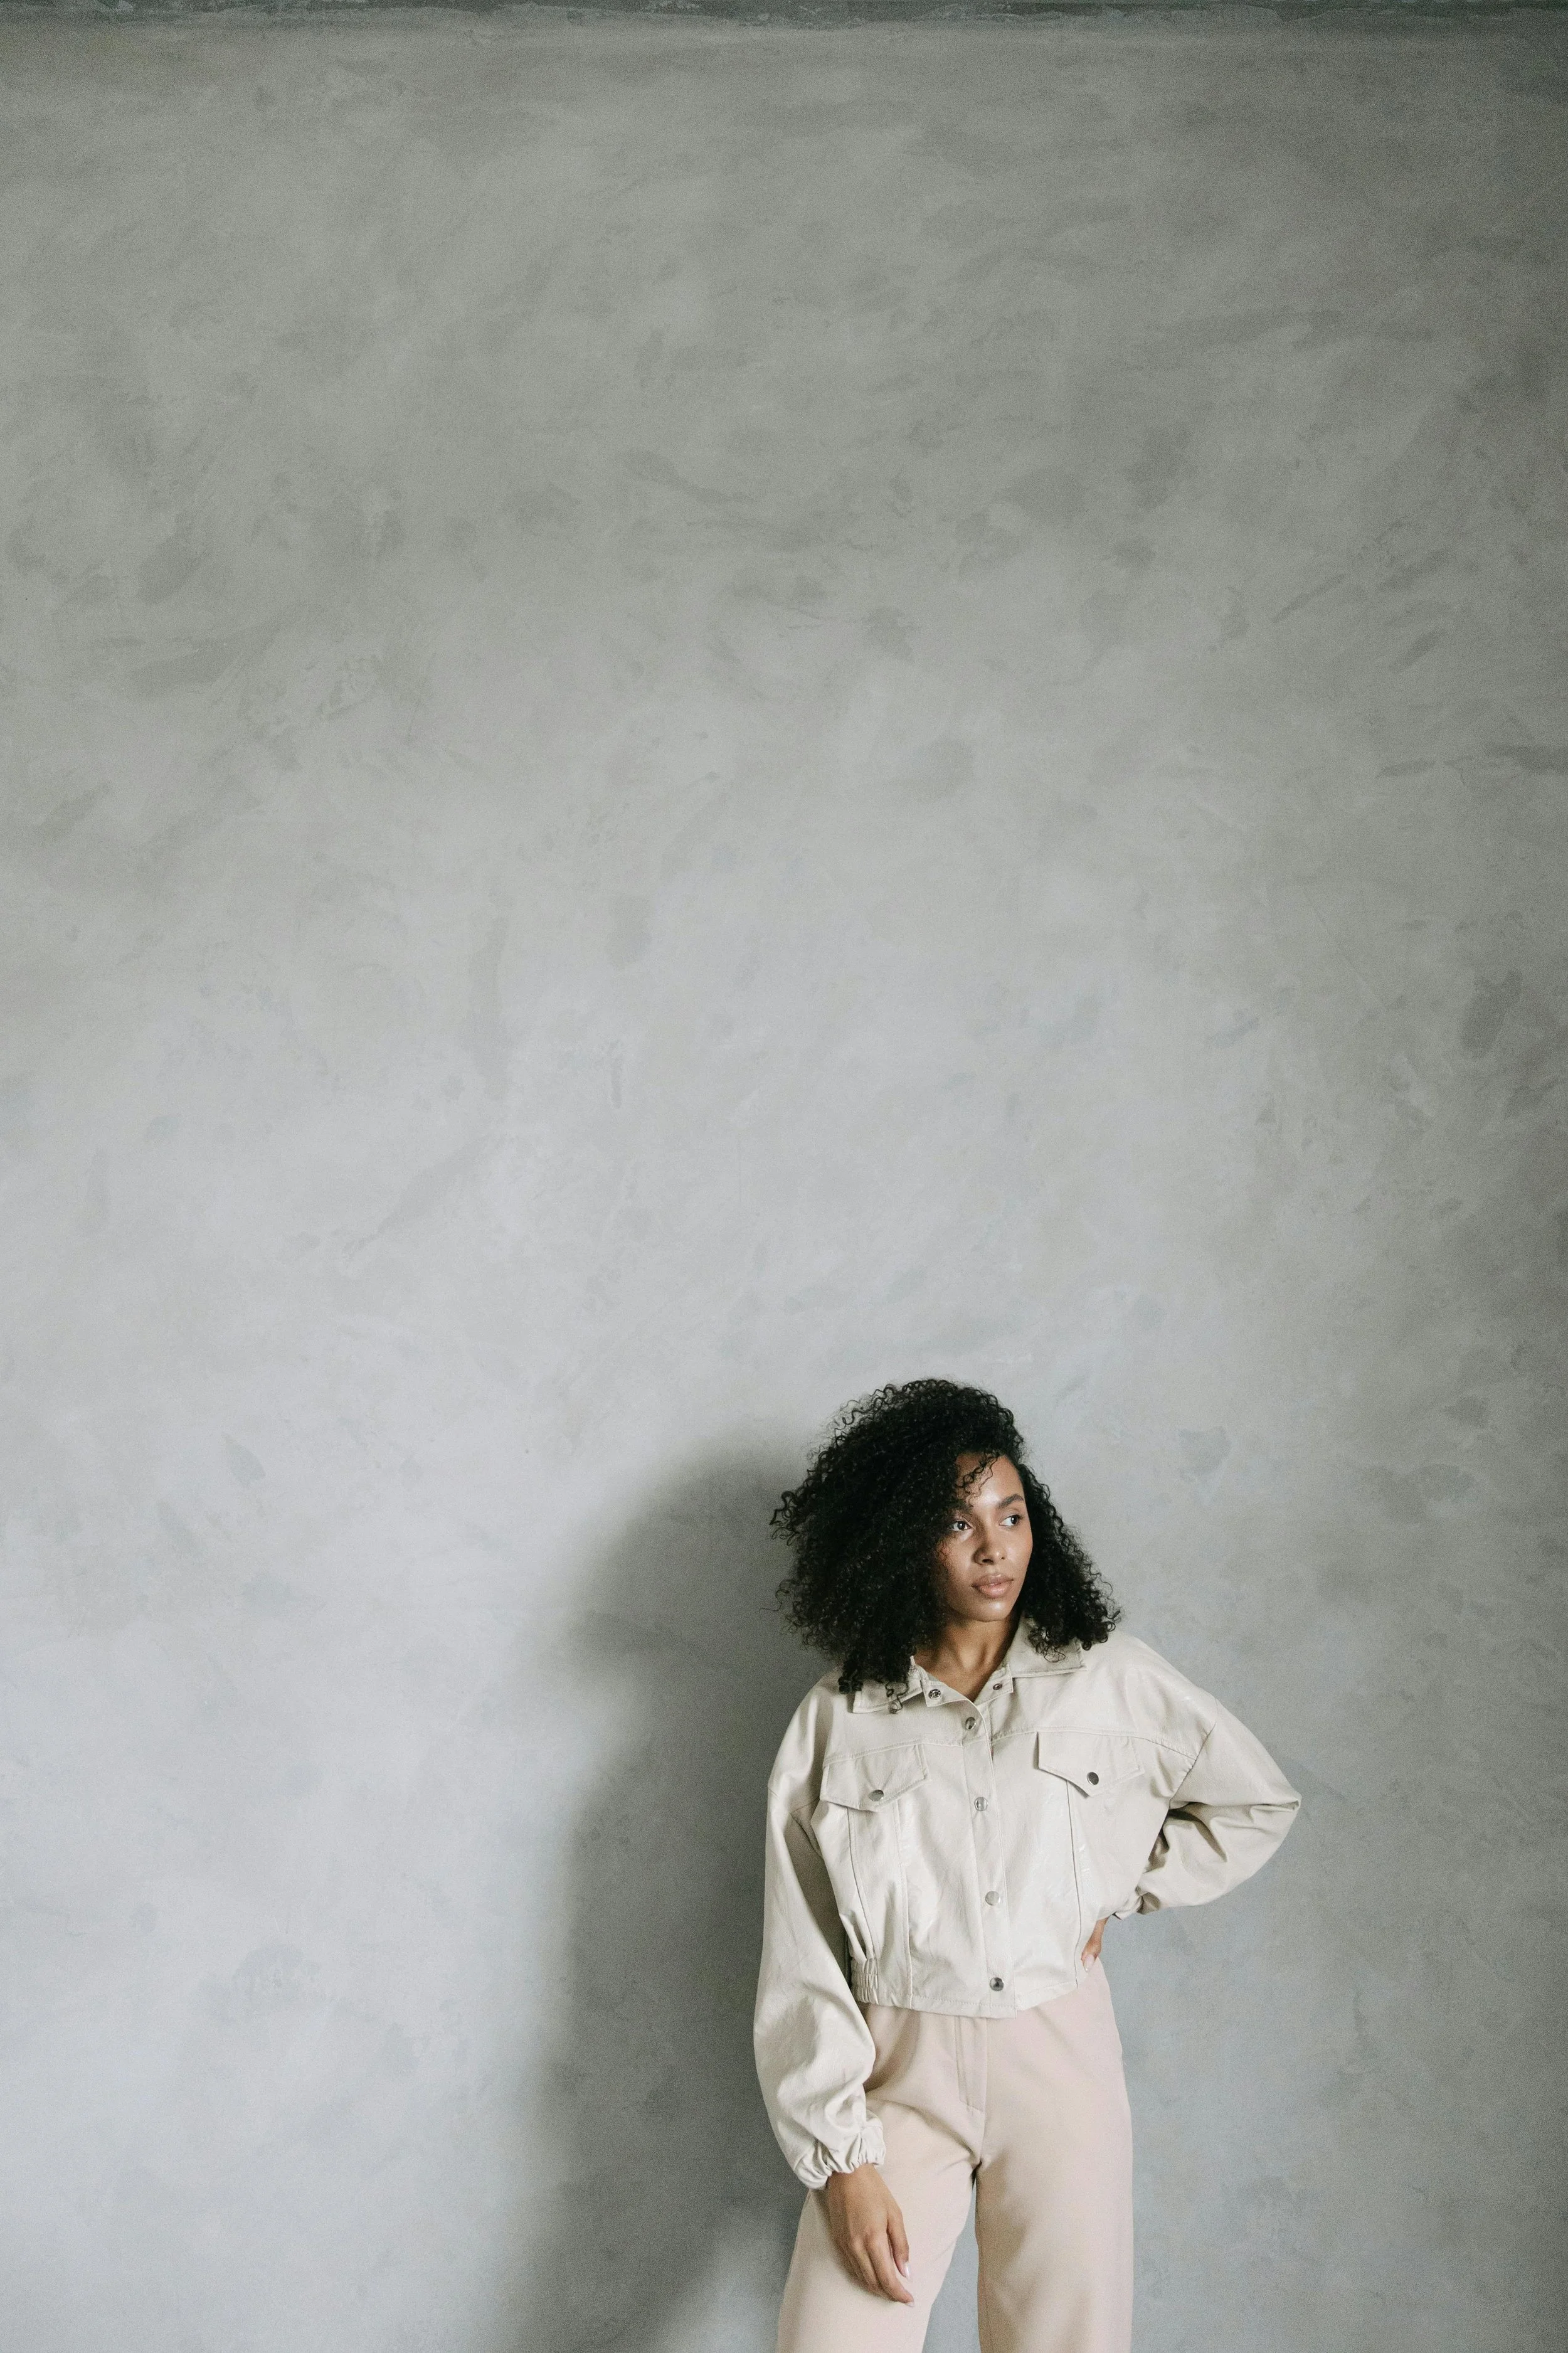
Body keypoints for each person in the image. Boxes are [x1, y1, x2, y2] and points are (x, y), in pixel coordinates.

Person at [754, 1379, 1299, 2353]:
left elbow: (1256, 1800)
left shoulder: (1107, 1676)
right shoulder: (841, 1717)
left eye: (1012, 1513)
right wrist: (844, 2162)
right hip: (897, 2076)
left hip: (1060, 2062)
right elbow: (801, 1949)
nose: (994, 1546)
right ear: (898, 1540)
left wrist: (1119, 1886)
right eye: (957, 1523)